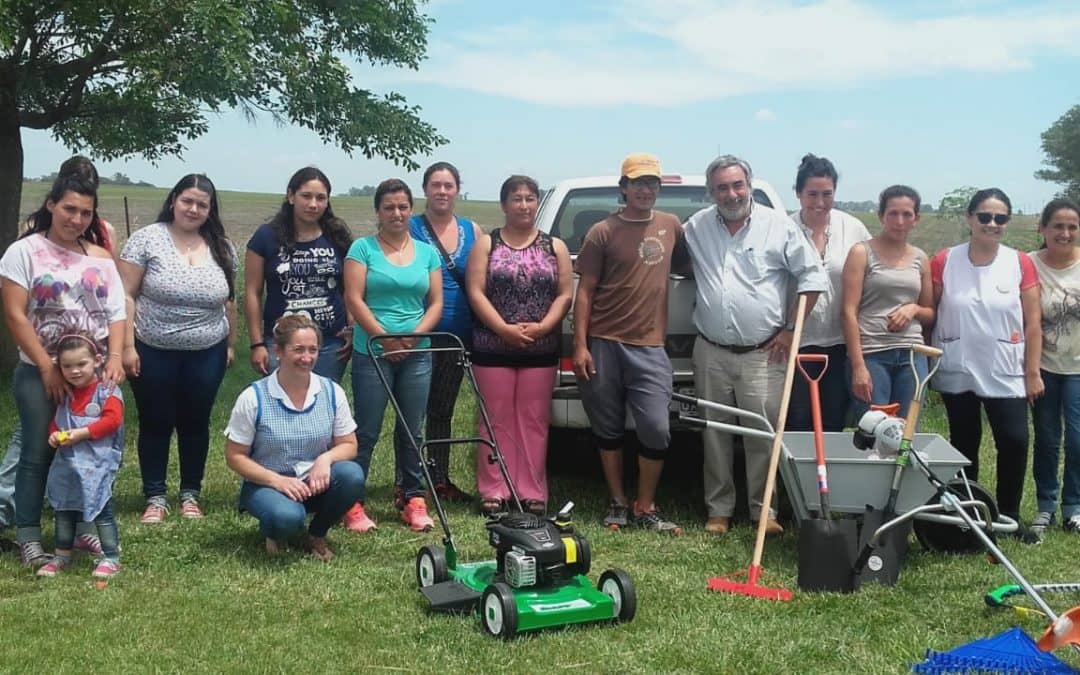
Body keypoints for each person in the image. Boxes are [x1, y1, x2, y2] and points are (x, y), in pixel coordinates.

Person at [683, 155, 825, 536]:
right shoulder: (695, 227)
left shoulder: (779, 227)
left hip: (764, 353)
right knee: (714, 433)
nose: (731, 194)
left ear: (749, 185)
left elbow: (812, 278)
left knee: (762, 435)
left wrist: (790, 329)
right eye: (721, 188)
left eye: (737, 185)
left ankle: (765, 511)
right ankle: (719, 511)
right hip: (710, 350)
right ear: (711, 192)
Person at [0, 174, 126, 567]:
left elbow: (117, 312)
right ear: (51, 204)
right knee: (38, 453)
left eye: (86, 213)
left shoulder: (100, 258)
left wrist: (116, 357)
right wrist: (46, 366)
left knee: (90, 452)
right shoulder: (25, 251)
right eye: (70, 209)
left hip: (93, 376)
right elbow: (15, 315)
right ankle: (29, 537)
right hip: (40, 373)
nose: (76, 219)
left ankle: (83, 529)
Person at [572, 153, 686, 534]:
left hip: (651, 346)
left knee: (656, 426)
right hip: (604, 341)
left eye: (651, 183)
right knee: (607, 427)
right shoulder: (602, 232)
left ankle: (646, 504)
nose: (645, 190)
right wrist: (580, 345)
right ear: (623, 188)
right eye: (637, 183)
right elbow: (585, 291)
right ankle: (618, 501)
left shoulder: (671, 226)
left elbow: (688, 266)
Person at [119, 174, 237, 523]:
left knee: (195, 422)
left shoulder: (222, 246)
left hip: (208, 350)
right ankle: (155, 496)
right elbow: (125, 295)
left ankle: (190, 495)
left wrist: (230, 344)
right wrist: (127, 346)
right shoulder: (146, 240)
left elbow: (229, 301)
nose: (193, 209)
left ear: (210, 209)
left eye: (202, 204)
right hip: (152, 347)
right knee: (155, 421)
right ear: (173, 200)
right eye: (187, 201)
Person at [931, 187, 1043, 535]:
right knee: (964, 442)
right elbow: (930, 312)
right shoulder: (945, 260)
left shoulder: (1019, 262)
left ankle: (1009, 516)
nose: (992, 224)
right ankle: (969, 516)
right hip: (958, 366)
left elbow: (1033, 322)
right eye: (984, 216)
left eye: (1000, 218)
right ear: (970, 218)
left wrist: (1033, 372)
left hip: (1005, 369)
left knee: (1014, 441)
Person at [466, 175, 572, 516]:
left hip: (540, 349)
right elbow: (475, 291)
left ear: (537, 203)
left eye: (529, 198)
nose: (523, 205)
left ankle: (531, 490)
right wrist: (502, 329)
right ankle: (494, 489)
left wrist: (543, 326)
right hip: (491, 347)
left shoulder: (554, 247)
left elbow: (565, 294)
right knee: (494, 419)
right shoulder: (487, 244)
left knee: (534, 421)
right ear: (504, 205)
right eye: (516, 198)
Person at [342, 179, 443, 533]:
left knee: (412, 430)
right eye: (389, 207)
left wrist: (413, 339)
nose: (396, 213)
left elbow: (436, 303)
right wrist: (384, 340)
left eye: (402, 207)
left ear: (411, 209)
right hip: (372, 351)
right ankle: (351, 501)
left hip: (418, 353)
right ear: (378, 212)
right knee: (366, 430)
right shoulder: (362, 249)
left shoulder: (427, 252)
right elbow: (354, 299)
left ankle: (413, 498)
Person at [224, 315, 363, 560]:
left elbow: (349, 445)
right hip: (267, 483)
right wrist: (277, 481)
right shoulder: (253, 397)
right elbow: (234, 456)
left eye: (313, 350)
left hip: (313, 481)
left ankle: (317, 533)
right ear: (278, 351)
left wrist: (325, 460)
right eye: (298, 350)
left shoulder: (332, 391)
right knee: (287, 517)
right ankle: (276, 528)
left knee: (352, 475)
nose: (306, 357)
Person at [410, 161, 484, 505]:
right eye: (435, 185)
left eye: (448, 185)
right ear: (425, 189)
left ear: (457, 190)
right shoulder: (409, 227)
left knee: (442, 408)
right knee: (412, 410)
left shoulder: (473, 230)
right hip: (416, 333)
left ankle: (438, 479)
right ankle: (409, 482)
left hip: (458, 335)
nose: (442, 191)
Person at [245, 167, 353, 381]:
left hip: (330, 344)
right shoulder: (266, 237)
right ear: (291, 196)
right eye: (306, 196)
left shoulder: (337, 237)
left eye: (320, 198)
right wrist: (257, 343)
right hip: (282, 342)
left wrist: (352, 329)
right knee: (282, 400)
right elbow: (252, 292)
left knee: (324, 399)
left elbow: (349, 289)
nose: (313, 204)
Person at [787, 154, 870, 431]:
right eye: (812, 194)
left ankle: (828, 462)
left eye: (827, 194)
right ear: (798, 193)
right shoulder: (783, 229)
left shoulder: (853, 228)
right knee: (798, 420)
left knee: (833, 419)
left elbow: (871, 276)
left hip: (840, 343)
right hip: (797, 343)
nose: (820, 202)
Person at [841, 185, 934, 419]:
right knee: (875, 428)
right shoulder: (862, 253)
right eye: (893, 213)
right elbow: (848, 312)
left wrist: (913, 309)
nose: (899, 221)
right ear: (881, 216)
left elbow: (930, 313)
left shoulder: (921, 258)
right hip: (872, 353)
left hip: (912, 355)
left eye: (907, 214)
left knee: (907, 430)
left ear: (916, 218)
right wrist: (858, 366)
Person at [37, 335, 124, 578]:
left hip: (98, 464)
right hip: (67, 464)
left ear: (97, 360)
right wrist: (54, 435)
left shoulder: (107, 391)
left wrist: (81, 433)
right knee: (63, 510)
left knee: (101, 509)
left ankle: (111, 556)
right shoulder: (66, 394)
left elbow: (112, 421)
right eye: (67, 366)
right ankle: (62, 555)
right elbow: (57, 422)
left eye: (81, 364)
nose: (74, 371)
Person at [1030, 198, 1080, 534]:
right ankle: (1046, 505)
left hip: (1078, 368)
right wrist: (1030, 370)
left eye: (1072, 227)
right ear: (1043, 228)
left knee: (1078, 440)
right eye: (1058, 226)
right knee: (1047, 440)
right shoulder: (1028, 264)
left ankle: (1073, 506)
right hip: (1044, 366)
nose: (1065, 233)